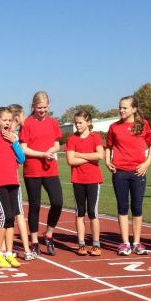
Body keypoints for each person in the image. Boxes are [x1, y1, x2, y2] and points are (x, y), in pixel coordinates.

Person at [105, 96, 151, 256]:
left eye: (125, 108)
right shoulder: (114, 127)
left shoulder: (143, 124)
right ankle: (125, 243)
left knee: (137, 207)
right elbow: (108, 146)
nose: (121, 110)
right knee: (123, 206)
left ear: (134, 109)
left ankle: (137, 242)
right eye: (120, 107)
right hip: (120, 172)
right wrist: (107, 161)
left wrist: (147, 163)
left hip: (138, 171)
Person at [19, 91, 63, 256]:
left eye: (45, 107)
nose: (42, 110)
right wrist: (42, 154)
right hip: (32, 170)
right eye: (39, 108)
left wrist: (52, 150)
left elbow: (57, 144)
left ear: (48, 106)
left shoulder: (53, 122)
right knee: (35, 205)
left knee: (57, 202)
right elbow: (24, 149)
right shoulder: (27, 123)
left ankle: (49, 234)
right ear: (33, 106)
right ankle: (34, 241)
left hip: (50, 169)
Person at [0, 107, 27, 271]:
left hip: (13, 182)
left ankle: (9, 253)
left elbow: (22, 159)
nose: (8, 123)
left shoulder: (13, 138)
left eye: (10, 120)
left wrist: (14, 142)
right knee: (5, 216)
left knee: (11, 218)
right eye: (4, 120)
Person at [65, 109, 104, 256]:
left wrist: (80, 155)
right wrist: (90, 157)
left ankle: (96, 244)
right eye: (76, 123)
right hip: (78, 179)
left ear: (88, 122)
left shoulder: (96, 137)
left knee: (93, 212)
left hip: (93, 179)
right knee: (80, 212)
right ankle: (81, 244)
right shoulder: (72, 139)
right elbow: (70, 160)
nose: (77, 125)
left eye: (80, 123)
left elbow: (100, 155)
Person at [8, 103, 33, 259]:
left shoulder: (11, 134)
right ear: (17, 116)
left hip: (10, 178)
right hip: (9, 178)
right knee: (16, 215)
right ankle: (25, 250)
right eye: (23, 115)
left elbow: (20, 158)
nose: (25, 118)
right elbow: (21, 158)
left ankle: (19, 249)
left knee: (11, 215)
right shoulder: (11, 135)